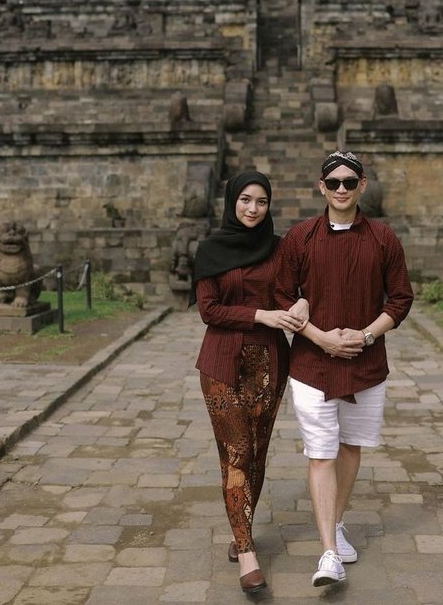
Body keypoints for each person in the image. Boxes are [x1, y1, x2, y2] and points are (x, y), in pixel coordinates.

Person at [274, 150, 414, 587]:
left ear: (362, 186)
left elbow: (400, 299)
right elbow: (281, 294)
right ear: (321, 187)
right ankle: (329, 554)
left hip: (366, 364)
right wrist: (320, 337)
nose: (340, 190)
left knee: (352, 447)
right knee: (321, 453)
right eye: (332, 182)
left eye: (348, 183)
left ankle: (335, 524)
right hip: (312, 364)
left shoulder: (383, 238)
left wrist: (367, 335)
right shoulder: (300, 238)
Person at [192, 169, 309, 594]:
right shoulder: (209, 250)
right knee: (237, 452)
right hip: (222, 363)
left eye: (261, 201)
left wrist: (301, 302)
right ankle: (247, 553)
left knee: (256, 454)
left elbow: (297, 289)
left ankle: (240, 531)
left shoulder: (279, 250)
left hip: (269, 363)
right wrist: (259, 315)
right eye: (245, 200)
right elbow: (209, 310)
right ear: (232, 201)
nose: (253, 209)